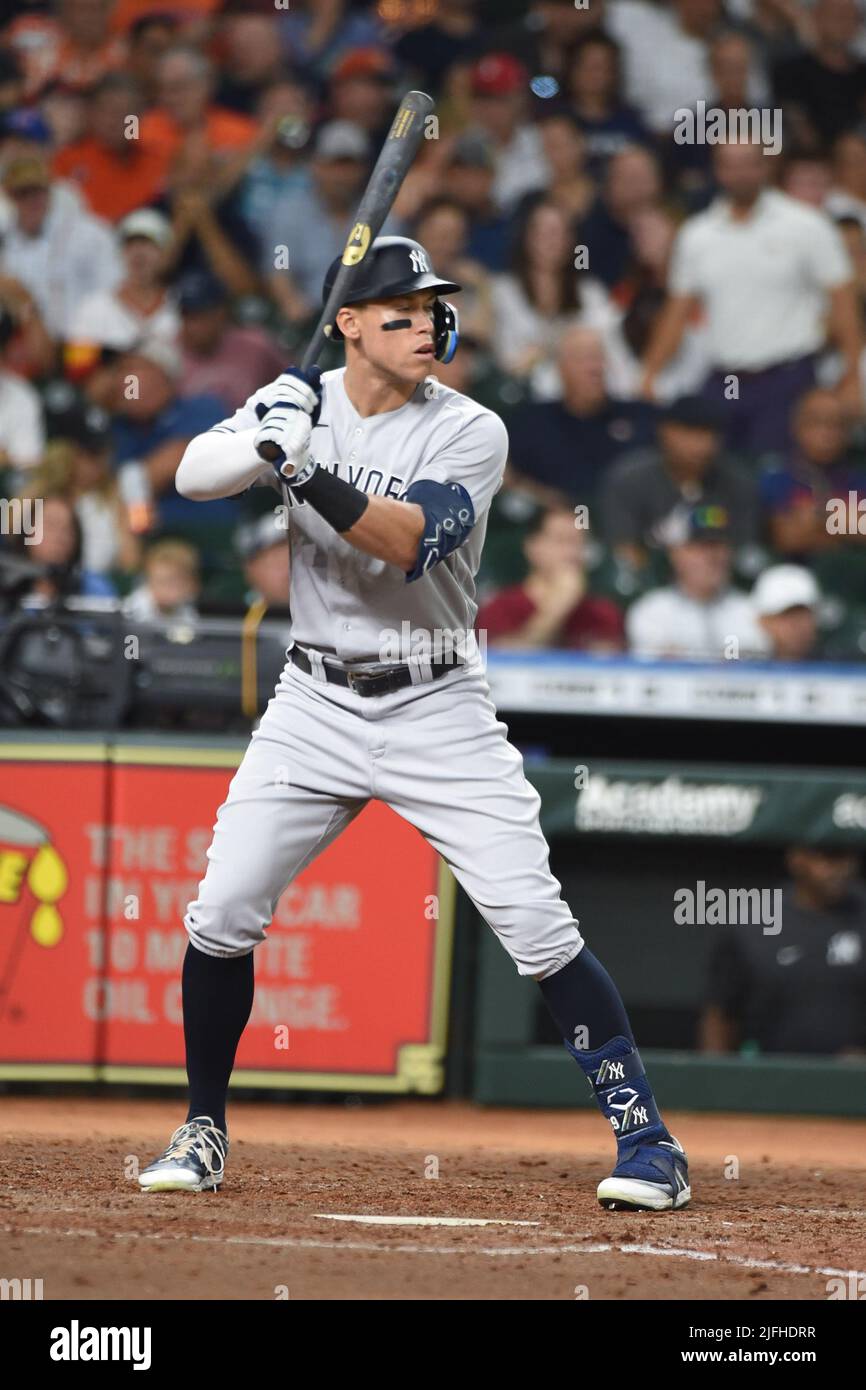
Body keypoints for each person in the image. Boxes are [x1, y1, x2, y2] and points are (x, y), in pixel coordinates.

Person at [138, 234, 691, 1212]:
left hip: (435, 699)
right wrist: (267, 428)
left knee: (533, 923)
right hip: (312, 700)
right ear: (346, 323)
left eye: (433, 307)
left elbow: (406, 544)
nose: (426, 322)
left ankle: (646, 1140)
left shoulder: (470, 428)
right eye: (399, 310)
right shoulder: (298, 400)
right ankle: (203, 1125)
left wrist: (299, 469)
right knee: (221, 912)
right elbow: (188, 480)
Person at [641, 139, 862, 452]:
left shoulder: (807, 225)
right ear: (717, 170)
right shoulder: (697, 235)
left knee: (776, 479)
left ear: (764, 166)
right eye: (729, 164)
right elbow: (676, 312)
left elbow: (843, 301)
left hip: (788, 377)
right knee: (721, 478)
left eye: (747, 163)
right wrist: (649, 372)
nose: (739, 173)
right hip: (722, 379)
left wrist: (852, 376)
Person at [701, 844, 866, 1056]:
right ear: (797, 859)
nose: (842, 868)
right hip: (771, 1077)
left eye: (848, 857)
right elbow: (721, 1013)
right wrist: (717, 1081)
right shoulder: (754, 923)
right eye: (828, 857)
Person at [601, 395, 760, 572]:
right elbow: (623, 550)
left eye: (708, 435)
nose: (700, 445)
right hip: (648, 584)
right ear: (665, 431)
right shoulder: (630, 478)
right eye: (690, 433)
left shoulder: (737, 483)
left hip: (717, 584)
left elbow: (745, 553)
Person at [507, 325, 656, 506]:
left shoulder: (639, 415)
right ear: (560, 369)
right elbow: (508, 478)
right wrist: (547, 499)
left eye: (598, 358)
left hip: (628, 523)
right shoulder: (532, 422)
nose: (594, 368)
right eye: (582, 359)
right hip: (562, 523)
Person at [491, 196, 616, 399]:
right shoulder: (503, 291)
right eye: (543, 232)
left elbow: (605, 349)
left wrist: (543, 351)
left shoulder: (591, 293)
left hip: (580, 398)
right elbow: (507, 361)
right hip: (522, 399)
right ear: (526, 238)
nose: (552, 240)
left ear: (571, 241)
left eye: (560, 233)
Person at [0, 154, 122, 340]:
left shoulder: (88, 234)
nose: (32, 200)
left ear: (50, 191)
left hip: (88, 340)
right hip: (31, 349)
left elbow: (113, 288)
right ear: (9, 196)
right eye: (22, 193)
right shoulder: (5, 244)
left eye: (38, 191)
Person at [625, 505, 766, 660]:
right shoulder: (651, 611)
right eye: (700, 547)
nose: (711, 557)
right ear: (676, 554)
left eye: (718, 546)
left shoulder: (752, 612)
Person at [477, 506, 625, 652]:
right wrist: (555, 610)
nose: (572, 552)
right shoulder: (500, 608)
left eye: (580, 543)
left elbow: (610, 666)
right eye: (561, 541)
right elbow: (501, 665)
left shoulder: (603, 613)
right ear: (533, 547)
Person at [759, 388, 866, 560]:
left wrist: (819, 514)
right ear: (797, 427)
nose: (826, 433)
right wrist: (846, 521)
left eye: (836, 424)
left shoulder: (859, 478)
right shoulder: (776, 477)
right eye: (816, 423)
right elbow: (788, 538)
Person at [52, 72, 170, 223]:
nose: (116, 121)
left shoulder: (159, 162)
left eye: (126, 113)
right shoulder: (67, 161)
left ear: (139, 117)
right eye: (108, 111)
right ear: (92, 113)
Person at [71, 207, 179, 356]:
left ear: (165, 253)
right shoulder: (93, 308)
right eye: (130, 244)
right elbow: (77, 366)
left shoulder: (182, 306)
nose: (139, 252)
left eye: (148, 244)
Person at [176, 270, 285, 412]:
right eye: (187, 315)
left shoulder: (256, 345)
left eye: (201, 315)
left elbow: (291, 383)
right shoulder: (167, 352)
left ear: (221, 313)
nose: (193, 326)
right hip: (192, 432)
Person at [751, 563, 823, 661]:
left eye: (804, 615)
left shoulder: (837, 668)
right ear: (764, 621)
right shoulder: (741, 668)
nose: (799, 626)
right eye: (787, 615)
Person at [123, 538, 200, 622]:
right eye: (162, 582)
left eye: (175, 583)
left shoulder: (186, 610)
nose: (170, 589)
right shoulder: (131, 609)